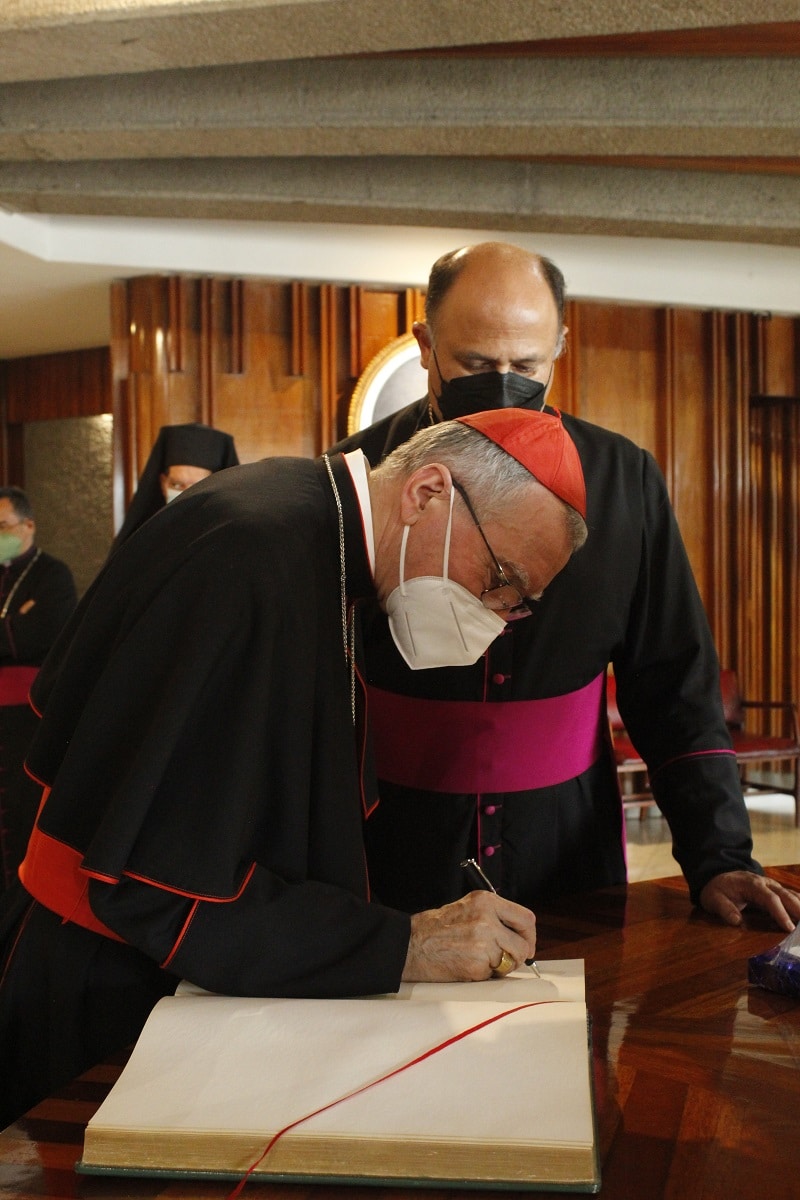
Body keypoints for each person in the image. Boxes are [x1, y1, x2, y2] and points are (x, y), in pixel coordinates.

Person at [0, 407, 586, 1127]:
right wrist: (401, 945)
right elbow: (153, 884)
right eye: (500, 580)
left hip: (164, 983)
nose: (496, 615)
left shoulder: (309, 530)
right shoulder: (252, 553)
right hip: (110, 999)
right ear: (427, 492)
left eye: (517, 606)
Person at [331, 240, 800, 934]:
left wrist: (718, 856)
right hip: (388, 851)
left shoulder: (624, 480)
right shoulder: (353, 477)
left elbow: (673, 684)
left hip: (565, 853)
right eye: (474, 363)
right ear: (425, 344)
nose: (502, 381)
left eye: (526, 365)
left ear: (561, 345)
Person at [0, 487, 76, 893]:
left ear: (28, 525)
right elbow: (20, 636)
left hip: (27, 718)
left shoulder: (52, 575)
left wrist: (14, 635)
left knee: (21, 809)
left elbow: (48, 636)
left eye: (2, 527)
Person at [111, 422, 239, 550]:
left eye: (199, 486)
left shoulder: (232, 542)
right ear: (163, 483)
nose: (186, 494)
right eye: (177, 485)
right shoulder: (140, 542)